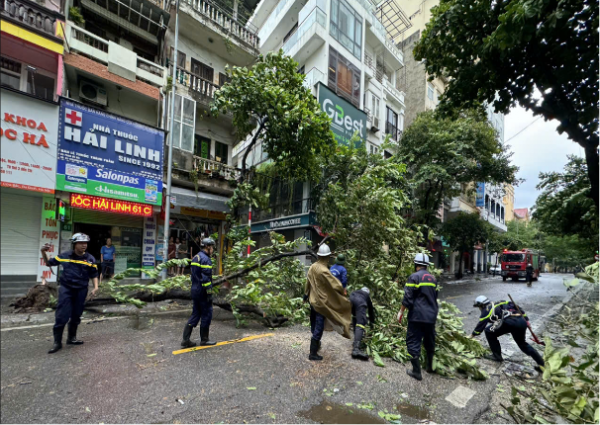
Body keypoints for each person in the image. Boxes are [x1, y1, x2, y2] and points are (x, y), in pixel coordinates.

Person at [41, 233, 99, 354]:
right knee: (62, 315)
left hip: (81, 290)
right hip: (66, 289)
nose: (84, 245)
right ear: (75, 244)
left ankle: (71, 338)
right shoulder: (64, 256)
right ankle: (57, 342)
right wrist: (43, 252)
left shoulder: (90, 259)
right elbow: (49, 263)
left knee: (76, 315)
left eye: (86, 243)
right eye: (81, 243)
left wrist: (95, 287)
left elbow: (94, 274)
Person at [471, 295, 545, 371]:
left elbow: (480, 325)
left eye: (479, 307)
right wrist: (526, 320)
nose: (479, 309)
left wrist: (472, 335)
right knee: (523, 344)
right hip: (521, 321)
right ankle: (542, 365)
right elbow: (518, 308)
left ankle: (497, 356)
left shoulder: (486, 309)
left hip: (511, 322)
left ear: (482, 305)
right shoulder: (501, 302)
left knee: (488, 331)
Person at [304, 244, 352, 361]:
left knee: (314, 323)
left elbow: (308, 282)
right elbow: (336, 284)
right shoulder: (324, 271)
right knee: (319, 327)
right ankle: (313, 353)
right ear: (328, 256)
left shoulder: (312, 267)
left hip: (312, 300)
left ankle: (316, 345)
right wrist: (342, 292)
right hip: (320, 303)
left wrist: (305, 295)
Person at [398, 253, 438, 381]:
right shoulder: (433, 279)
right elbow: (434, 297)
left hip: (417, 316)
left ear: (416, 264)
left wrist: (401, 312)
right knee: (429, 340)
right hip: (431, 316)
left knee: (413, 341)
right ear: (427, 265)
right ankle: (430, 366)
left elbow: (408, 298)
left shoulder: (414, 277)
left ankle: (416, 372)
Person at [181, 237, 217, 348]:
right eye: (212, 247)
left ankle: (185, 340)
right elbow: (206, 279)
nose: (213, 250)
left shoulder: (196, 257)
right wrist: (209, 293)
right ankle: (204, 340)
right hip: (203, 292)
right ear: (208, 247)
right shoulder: (206, 259)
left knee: (196, 313)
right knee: (207, 314)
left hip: (195, 289)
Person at [349, 286, 376, 360]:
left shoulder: (356, 292)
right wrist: (372, 324)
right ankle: (356, 349)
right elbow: (371, 312)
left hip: (350, 299)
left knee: (355, 317)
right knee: (361, 323)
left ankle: (355, 342)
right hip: (360, 302)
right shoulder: (366, 296)